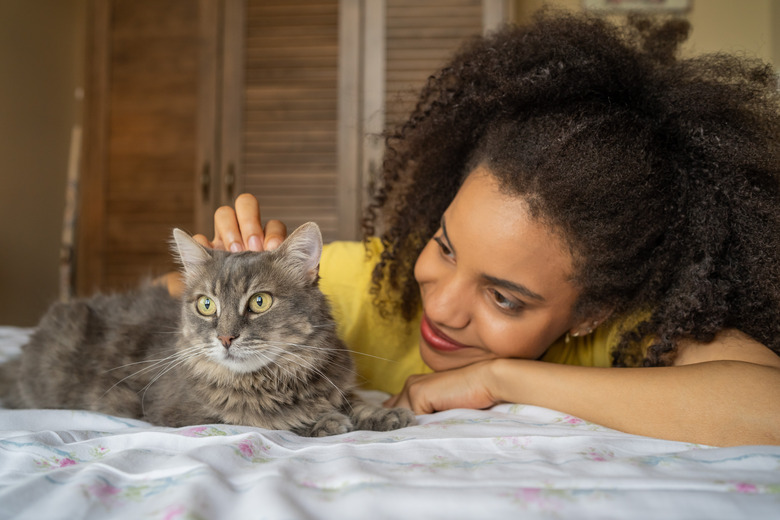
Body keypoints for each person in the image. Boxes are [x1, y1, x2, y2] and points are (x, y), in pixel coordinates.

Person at [169, 11, 780, 447]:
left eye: (504, 297)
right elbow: (170, 298)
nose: (443, 305)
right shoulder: (362, 284)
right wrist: (226, 271)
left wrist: (498, 379)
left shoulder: (614, 335)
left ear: (589, 313)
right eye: (445, 245)